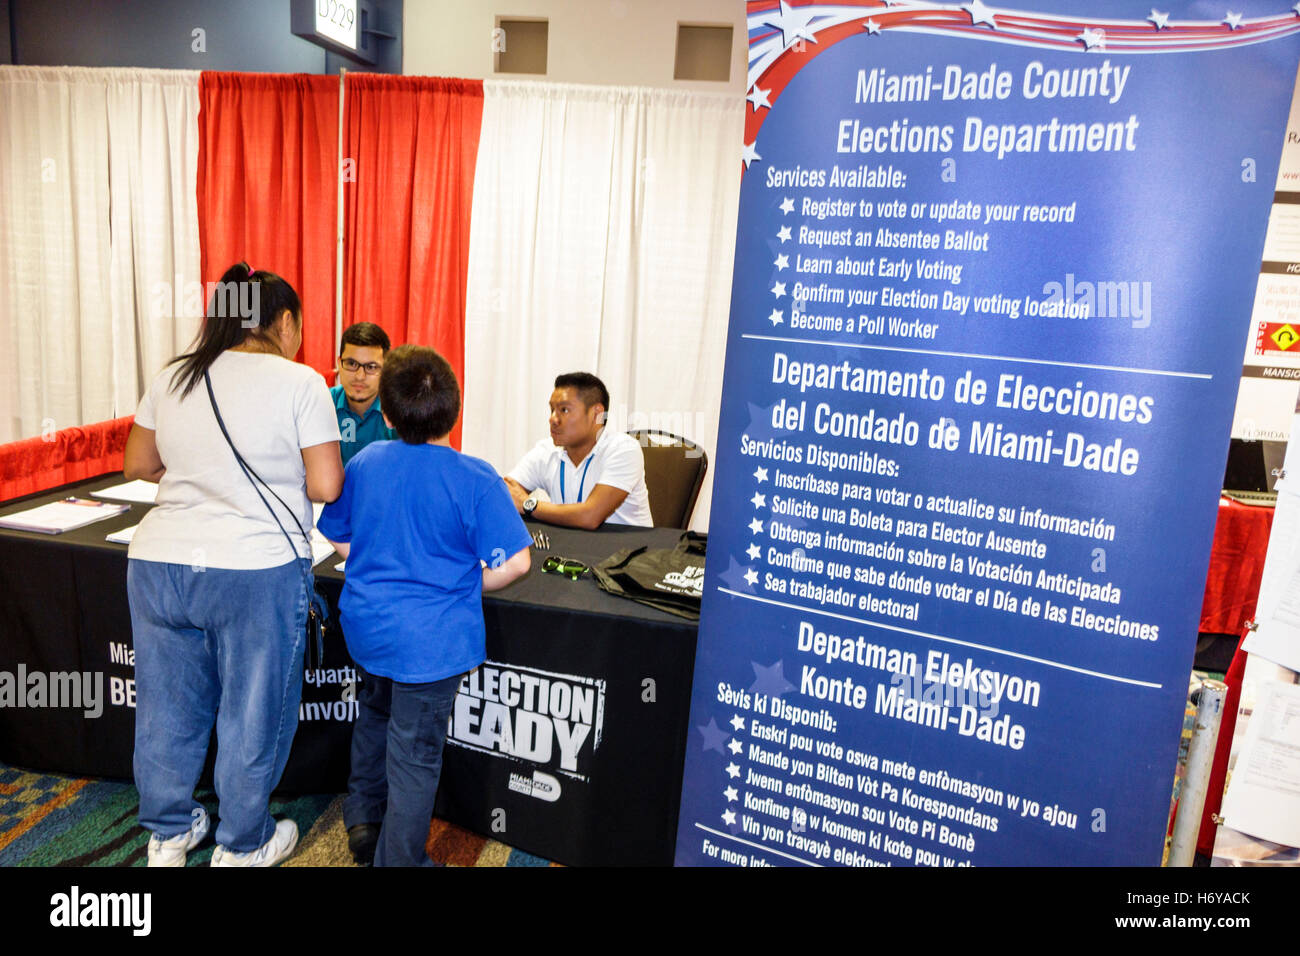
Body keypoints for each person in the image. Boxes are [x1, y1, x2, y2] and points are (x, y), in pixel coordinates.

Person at [123, 262, 343, 868]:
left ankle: (168, 834)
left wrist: (201, 480)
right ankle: (242, 843)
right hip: (254, 568)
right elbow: (325, 484)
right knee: (254, 707)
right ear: (287, 321)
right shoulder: (299, 382)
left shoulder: (174, 376)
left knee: (166, 705)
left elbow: (137, 464)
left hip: (159, 562)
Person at [317, 345, 531, 867]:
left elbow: (339, 538)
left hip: (369, 628)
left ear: (387, 413)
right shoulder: (475, 476)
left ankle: (364, 822)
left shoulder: (366, 461)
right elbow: (518, 563)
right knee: (415, 757)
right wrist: (463, 581)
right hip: (430, 644)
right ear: (454, 411)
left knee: (374, 715)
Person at [505, 372, 653, 528]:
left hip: (628, 549)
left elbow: (590, 516)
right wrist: (516, 500)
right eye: (552, 409)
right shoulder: (546, 449)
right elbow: (505, 492)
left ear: (596, 413)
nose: (553, 419)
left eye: (564, 410)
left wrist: (528, 505)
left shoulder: (623, 449)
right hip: (569, 547)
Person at [333, 322, 396, 466]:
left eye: (371, 367)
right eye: (351, 364)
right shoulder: (321, 404)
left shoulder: (399, 412)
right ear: (339, 363)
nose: (360, 376)